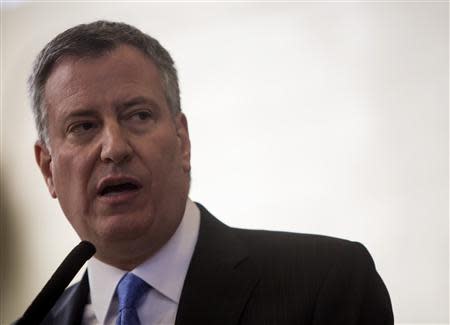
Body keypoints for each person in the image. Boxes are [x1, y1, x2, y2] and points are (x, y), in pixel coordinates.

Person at [26, 20, 393, 324]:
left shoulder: (326, 283)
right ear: (48, 169)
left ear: (182, 140)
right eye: (83, 126)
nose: (115, 148)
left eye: (138, 116)